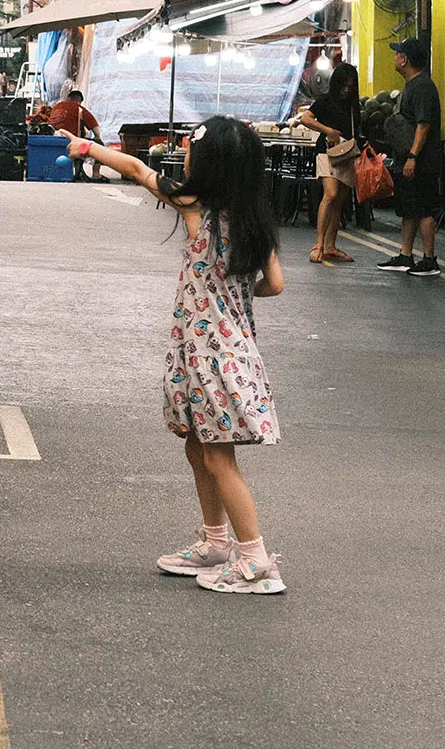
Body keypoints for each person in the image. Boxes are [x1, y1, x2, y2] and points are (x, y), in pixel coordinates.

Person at [59, 118, 288, 594]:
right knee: (197, 444)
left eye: (192, 152)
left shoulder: (195, 207)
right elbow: (276, 285)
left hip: (209, 354)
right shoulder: (254, 221)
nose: (184, 157)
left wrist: (90, 149)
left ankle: (255, 561)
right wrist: (231, 295)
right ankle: (215, 542)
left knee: (219, 458)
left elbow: (139, 171)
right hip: (225, 349)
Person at [378, 37, 443, 277]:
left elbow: (423, 125)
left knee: (424, 208)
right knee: (409, 208)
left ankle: (429, 259)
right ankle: (406, 255)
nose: (394, 57)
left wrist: (413, 156)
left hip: (422, 160)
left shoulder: (423, 87)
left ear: (404, 59)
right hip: (409, 158)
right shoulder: (413, 85)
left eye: (397, 53)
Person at [294, 61, 361, 264]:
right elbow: (305, 119)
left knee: (339, 201)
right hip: (326, 154)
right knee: (330, 195)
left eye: (350, 86)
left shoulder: (352, 106)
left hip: (347, 156)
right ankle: (319, 244)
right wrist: (328, 130)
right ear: (336, 84)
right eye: (343, 85)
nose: (346, 90)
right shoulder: (325, 100)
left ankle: (331, 245)